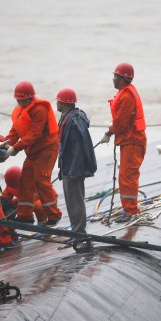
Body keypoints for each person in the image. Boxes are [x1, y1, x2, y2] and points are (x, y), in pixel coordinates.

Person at [4, 81, 62, 225]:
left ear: (30, 98)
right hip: (33, 151)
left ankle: (54, 215)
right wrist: (4, 145)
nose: (20, 103)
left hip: (47, 149)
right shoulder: (20, 111)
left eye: (23, 101)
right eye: (18, 101)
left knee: (41, 180)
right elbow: (14, 131)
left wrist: (16, 148)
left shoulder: (39, 109)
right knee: (25, 180)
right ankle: (25, 215)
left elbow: (34, 133)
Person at [96, 62, 147, 222]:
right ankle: (128, 209)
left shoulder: (126, 96)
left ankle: (131, 211)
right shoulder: (124, 93)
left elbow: (121, 123)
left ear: (123, 79)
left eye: (115, 76)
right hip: (129, 140)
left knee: (128, 176)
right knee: (125, 176)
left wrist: (108, 132)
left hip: (133, 141)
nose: (113, 79)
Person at [55, 88, 97, 249]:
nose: (56, 104)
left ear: (64, 103)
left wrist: (74, 169)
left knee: (75, 200)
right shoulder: (68, 117)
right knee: (71, 200)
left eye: (58, 101)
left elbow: (78, 147)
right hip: (68, 167)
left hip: (73, 169)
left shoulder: (74, 121)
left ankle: (79, 233)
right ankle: (75, 232)